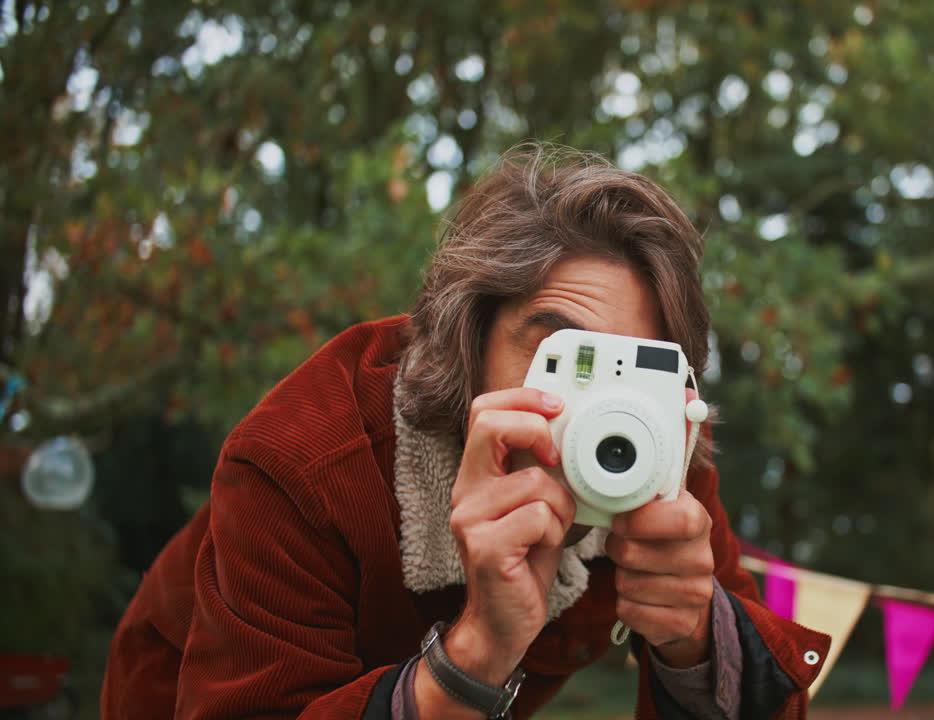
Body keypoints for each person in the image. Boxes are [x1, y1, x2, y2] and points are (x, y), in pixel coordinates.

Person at [101, 144, 830, 719]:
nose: (604, 414)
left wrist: (697, 640)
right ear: (468, 342)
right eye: (565, 360)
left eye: (634, 371)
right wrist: (478, 649)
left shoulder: (656, 448)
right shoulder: (305, 458)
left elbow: (764, 696)